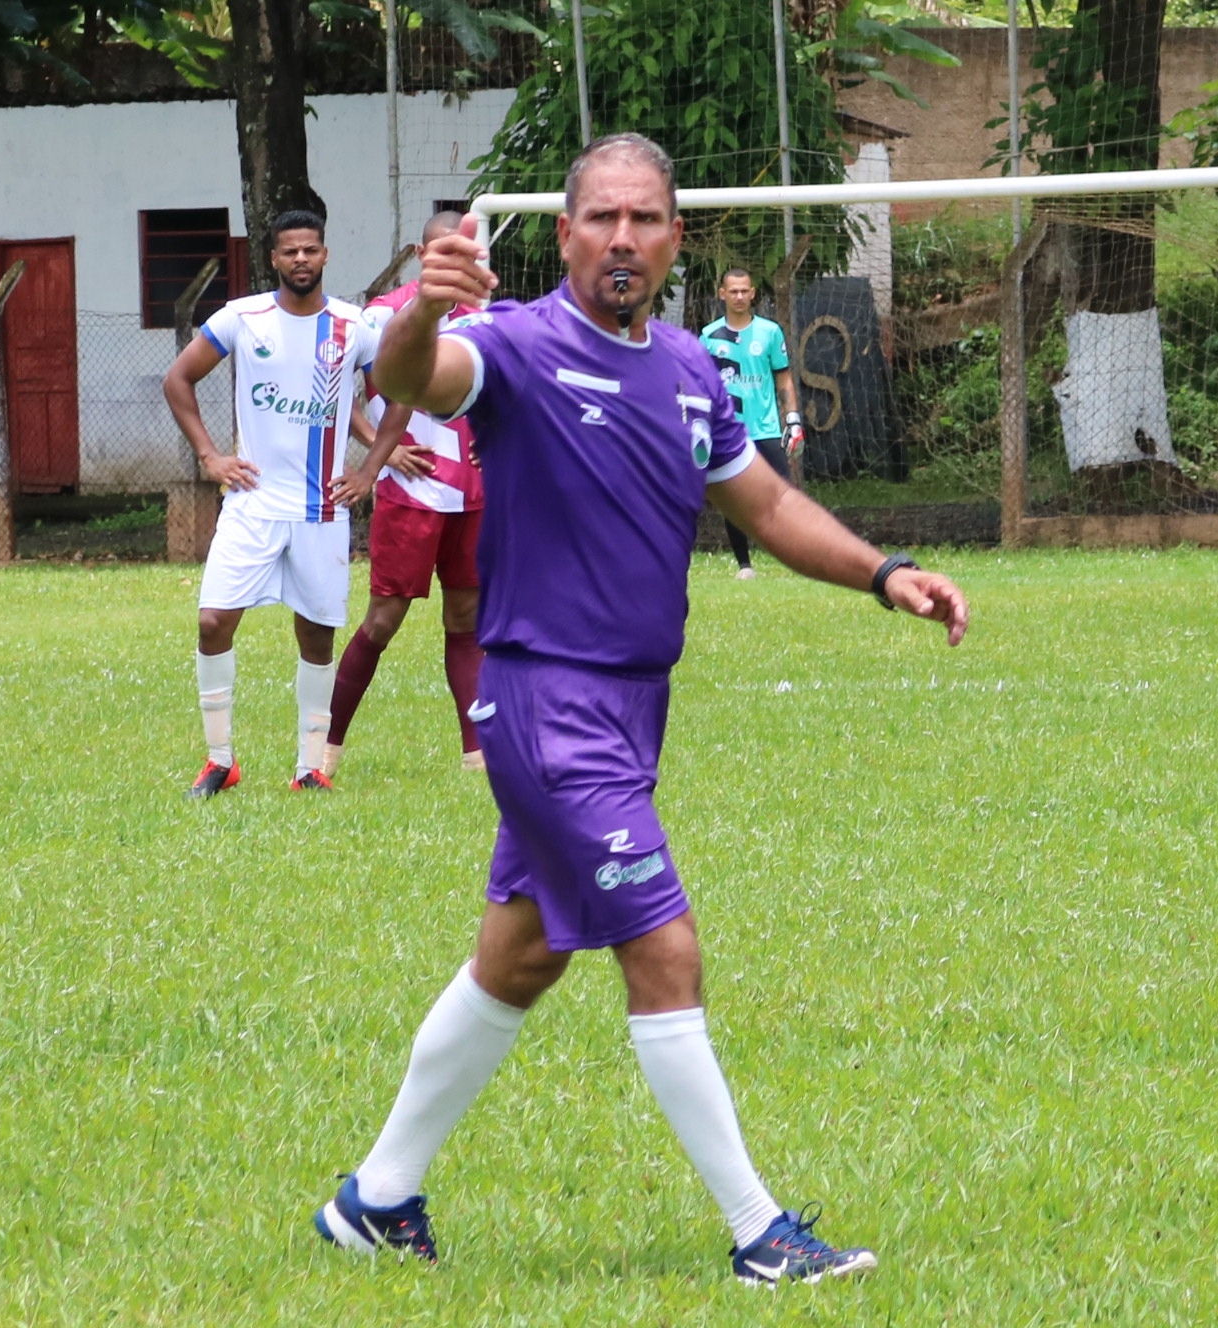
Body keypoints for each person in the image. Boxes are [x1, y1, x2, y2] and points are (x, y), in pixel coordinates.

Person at [312, 133, 968, 1283]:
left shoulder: (688, 371)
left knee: (519, 957)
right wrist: (424, 308)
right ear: (564, 233)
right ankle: (762, 1233)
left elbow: (767, 506)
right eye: (602, 218)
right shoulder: (514, 346)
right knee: (663, 947)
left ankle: (375, 1197)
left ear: (675, 238)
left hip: (629, 707)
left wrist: (883, 572)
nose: (623, 237)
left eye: (645, 219)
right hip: (546, 701)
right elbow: (416, 379)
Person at [163, 210, 380, 796]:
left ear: (325, 255)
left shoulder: (354, 326)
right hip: (252, 504)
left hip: (321, 510)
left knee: (316, 636)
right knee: (212, 621)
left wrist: (370, 469)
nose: (301, 259)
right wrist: (210, 456)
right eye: (290, 251)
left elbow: (400, 393)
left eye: (310, 249)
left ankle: (310, 769)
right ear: (274, 259)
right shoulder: (241, 317)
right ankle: (220, 761)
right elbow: (178, 379)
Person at [325, 211, 487, 779]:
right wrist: (380, 451)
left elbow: (508, 392)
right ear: (422, 254)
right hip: (411, 495)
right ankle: (326, 746)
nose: (454, 262)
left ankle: (476, 755)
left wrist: (500, 439)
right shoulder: (383, 314)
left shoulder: (486, 318)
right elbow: (335, 387)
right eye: (444, 252)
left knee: (466, 620)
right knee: (382, 621)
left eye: (463, 252)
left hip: (475, 495)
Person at [702, 267, 804, 579]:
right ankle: (744, 565)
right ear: (722, 294)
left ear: (753, 293)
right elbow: (702, 386)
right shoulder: (708, 336)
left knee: (784, 494)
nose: (739, 296)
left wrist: (793, 420)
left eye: (744, 291)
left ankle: (796, 557)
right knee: (733, 497)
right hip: (729, 430)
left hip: (766, 428)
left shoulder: (769, 332)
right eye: (733, 291)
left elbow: (783, 378)